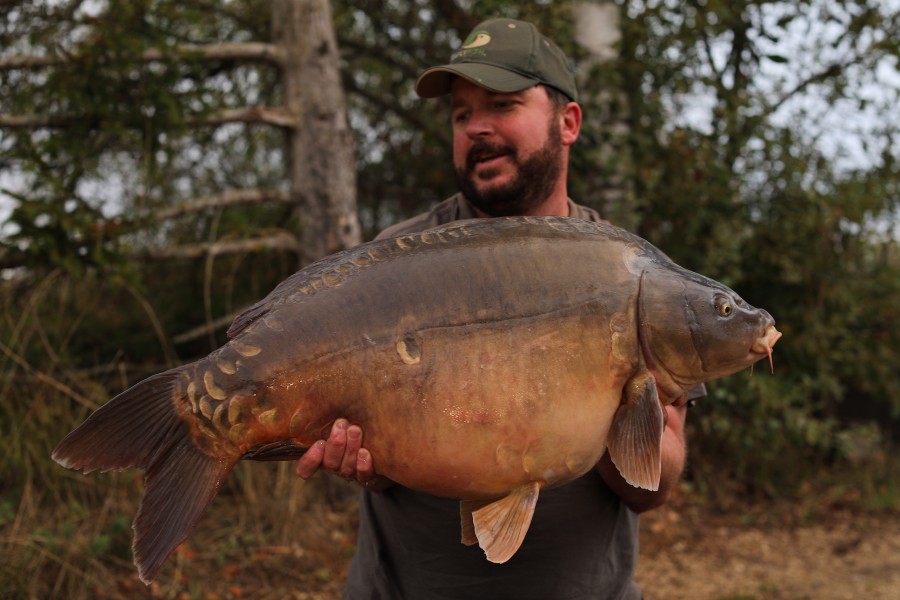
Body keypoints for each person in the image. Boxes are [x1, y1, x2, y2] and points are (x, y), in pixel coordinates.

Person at [295, 17, 700, 599]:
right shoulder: (393, 265)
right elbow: (381, 472)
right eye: (461, 115)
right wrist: (365, 455)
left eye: (502, 105)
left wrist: (611, 397)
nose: (476, 128)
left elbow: (653, 485)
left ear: (569, 122)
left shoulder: (631, 273)